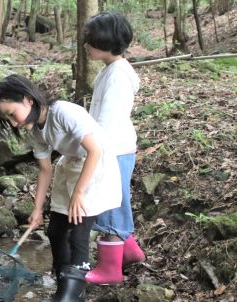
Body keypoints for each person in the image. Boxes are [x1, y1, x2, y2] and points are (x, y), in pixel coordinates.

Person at [0, 74, 122, 301]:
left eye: (11, 114)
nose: (13, 123)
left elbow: (95, 150)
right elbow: (44, 170)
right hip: (69, 166)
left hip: (95, 168)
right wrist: (37, 209)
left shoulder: (63, 112)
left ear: (27, 99)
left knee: (79, 233)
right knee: (56, 231)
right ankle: (63, 289)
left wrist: (79, 193)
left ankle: (73, 295)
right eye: (7, 119)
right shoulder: (35, 130)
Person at [82, 12, 146, 285]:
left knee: (109, 205)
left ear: (108, 43)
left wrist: (89, 148)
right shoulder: (111, 69)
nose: (86, 46)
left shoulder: (118, 75)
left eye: (91, 41)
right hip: (111, 147)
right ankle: (129, 251)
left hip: (112, 148)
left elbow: (107, 120)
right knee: (114, 202)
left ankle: (110, 270)